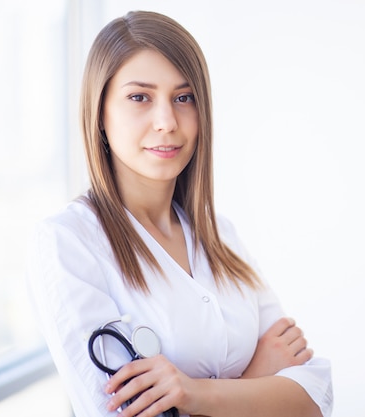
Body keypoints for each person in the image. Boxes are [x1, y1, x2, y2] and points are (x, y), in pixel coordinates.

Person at [26, 10, 332, 417]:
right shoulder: (68, 243)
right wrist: (256, 381)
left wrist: (192, 394)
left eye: (183, 98)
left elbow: (312, 396)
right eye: (140, 97)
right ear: (100, 112)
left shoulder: (221, 236)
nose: (167, 121)